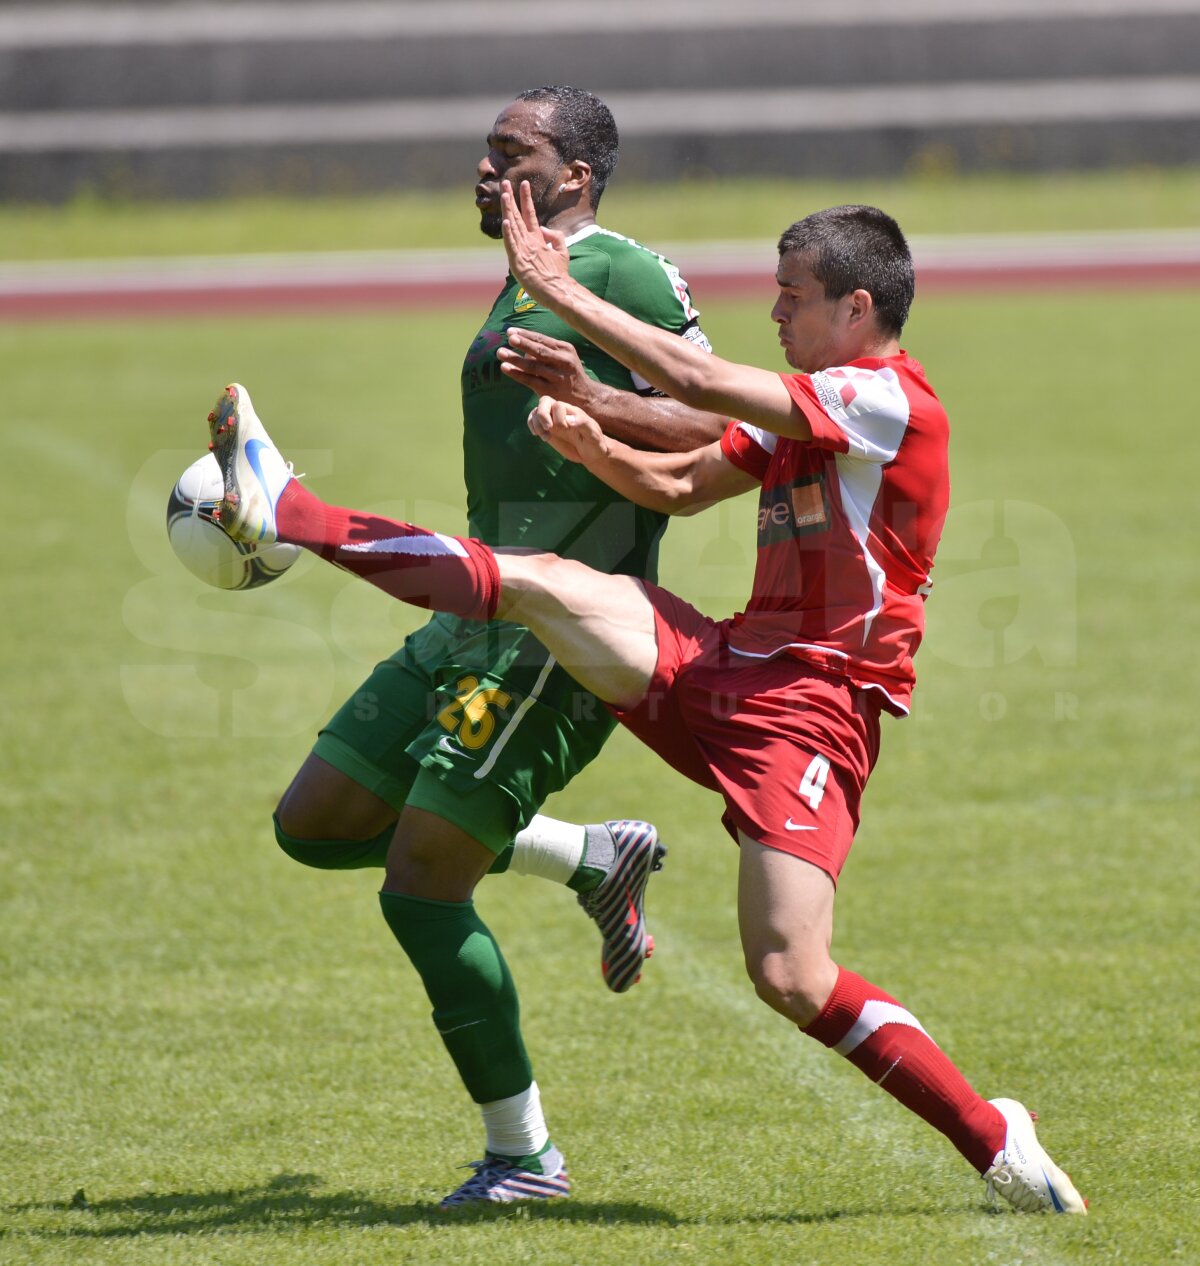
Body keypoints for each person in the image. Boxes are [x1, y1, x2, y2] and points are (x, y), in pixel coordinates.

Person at [202, 182, 1086, 1216]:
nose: (775, 312)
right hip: (726, 666)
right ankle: (293, 509)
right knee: (534, 581)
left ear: (855, 310)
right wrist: (597, 442)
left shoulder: (886, 402)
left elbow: (693, 375)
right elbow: (680, 482)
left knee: (790, 974)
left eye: (792, 296)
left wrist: (556, 293)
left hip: (813, 713)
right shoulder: (816, 405)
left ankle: (994, 1137)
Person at [257, 87, 727, 1207]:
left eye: (510, 153)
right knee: (316, 827)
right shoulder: (528, 272)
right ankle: (589, 857)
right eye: (485, 149)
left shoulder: (620, 273)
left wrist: (600, 412)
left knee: (420, 886)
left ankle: (525, 1160)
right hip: (473, 614)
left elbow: (724, 424)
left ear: (577, 174)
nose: (482, 166)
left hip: (557, 635)